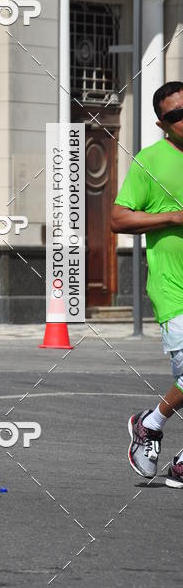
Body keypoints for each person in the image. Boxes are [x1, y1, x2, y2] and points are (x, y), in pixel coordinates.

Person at [112, 81, 183, 488]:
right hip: (174, 290)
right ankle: (151, 424)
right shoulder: (150, 162)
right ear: (162, 124)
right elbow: (119, 219)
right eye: (175, 115)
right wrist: (172, 218)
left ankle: (156, 431)